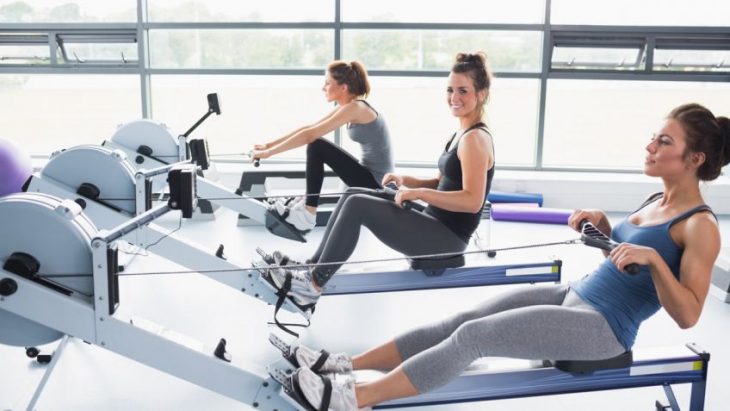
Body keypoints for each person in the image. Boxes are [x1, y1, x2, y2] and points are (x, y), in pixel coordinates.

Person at [279, 102, 729, 410]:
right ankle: (342, 366)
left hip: (605, 329)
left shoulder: (700, 225)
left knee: (474, 336)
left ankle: (356, 397)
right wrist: (606, 228)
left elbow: (688, 313)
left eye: (664, 142)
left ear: (695, 159)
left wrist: (651, 260)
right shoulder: (655, 199)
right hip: (575, 293)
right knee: (457, 321)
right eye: (654, 137)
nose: (651, 146)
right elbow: (628, 256)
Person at [264, 52, 496, 311]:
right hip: (435, 223)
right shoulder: (461, 133)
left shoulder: (475, 140)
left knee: (358, 206)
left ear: (481, 93)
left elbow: (472, 201)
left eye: (463, 91)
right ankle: (312, 266)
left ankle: (312, 287)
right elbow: (438, 182)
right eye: (450, 90)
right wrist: (404, 180)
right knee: (353, 193)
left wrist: (417, 193)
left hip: (446, 239)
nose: (454, 98)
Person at [251, 60, 394, 233]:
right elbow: (309, 128)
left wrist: (269, 153)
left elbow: (311, 135)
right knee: (316, 144)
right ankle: (306, 206)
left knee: (316, 146)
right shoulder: (351, 106)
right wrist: (268, 145)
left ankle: (308, 214)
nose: (323, 87)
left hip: (377, 183)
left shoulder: (356, 108)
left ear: (343, 87)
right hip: (368, 174)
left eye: (327, 83)